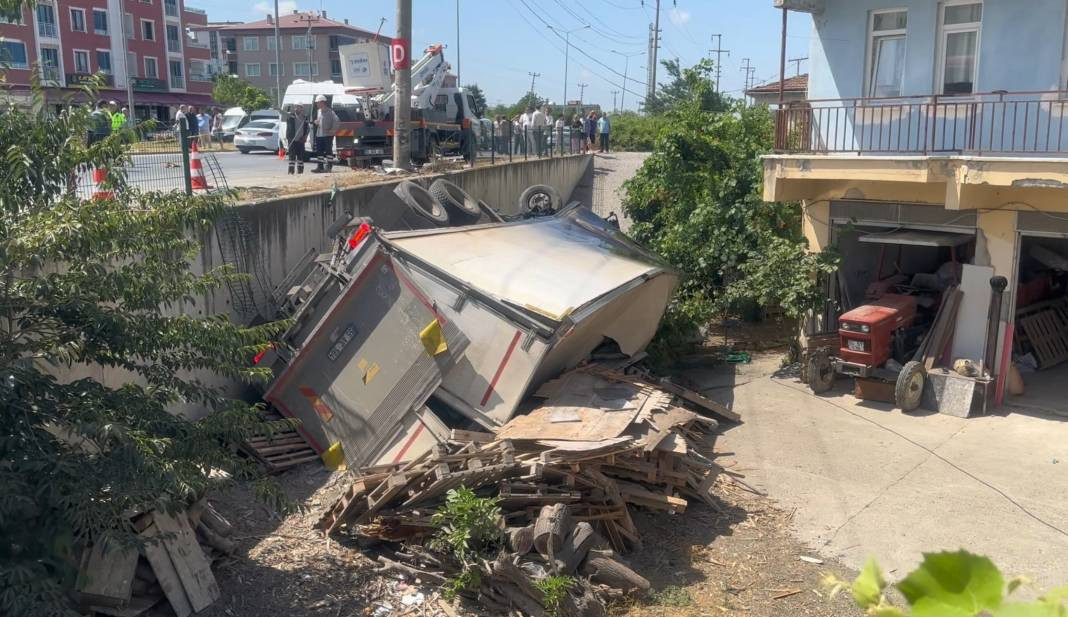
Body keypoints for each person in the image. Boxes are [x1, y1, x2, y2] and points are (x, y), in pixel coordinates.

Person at [312, 94, 338, 173]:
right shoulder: (318, 111)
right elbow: (317, 120)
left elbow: (337, 121)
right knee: (319, 151)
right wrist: (315, 122)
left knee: (328, 151)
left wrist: (333, 130)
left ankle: (329, 167)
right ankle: (320, 166)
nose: (317, 104)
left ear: (322, 102)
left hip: (327, 135)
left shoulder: (330, 112)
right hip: (319, 134)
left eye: (318, 102)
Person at [285, 104, 310, 174]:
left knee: (300, 157)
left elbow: (308, 129)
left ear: (301, 108)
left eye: (298, 107)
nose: (296, 108)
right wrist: (278, 109)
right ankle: (291, 171)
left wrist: (305, 136)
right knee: (291, 156)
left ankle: (300, 171)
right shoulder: (291, 116)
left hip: (300, 140)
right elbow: (283, 113)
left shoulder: (305, 118)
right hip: (292, 140)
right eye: (295, 107)